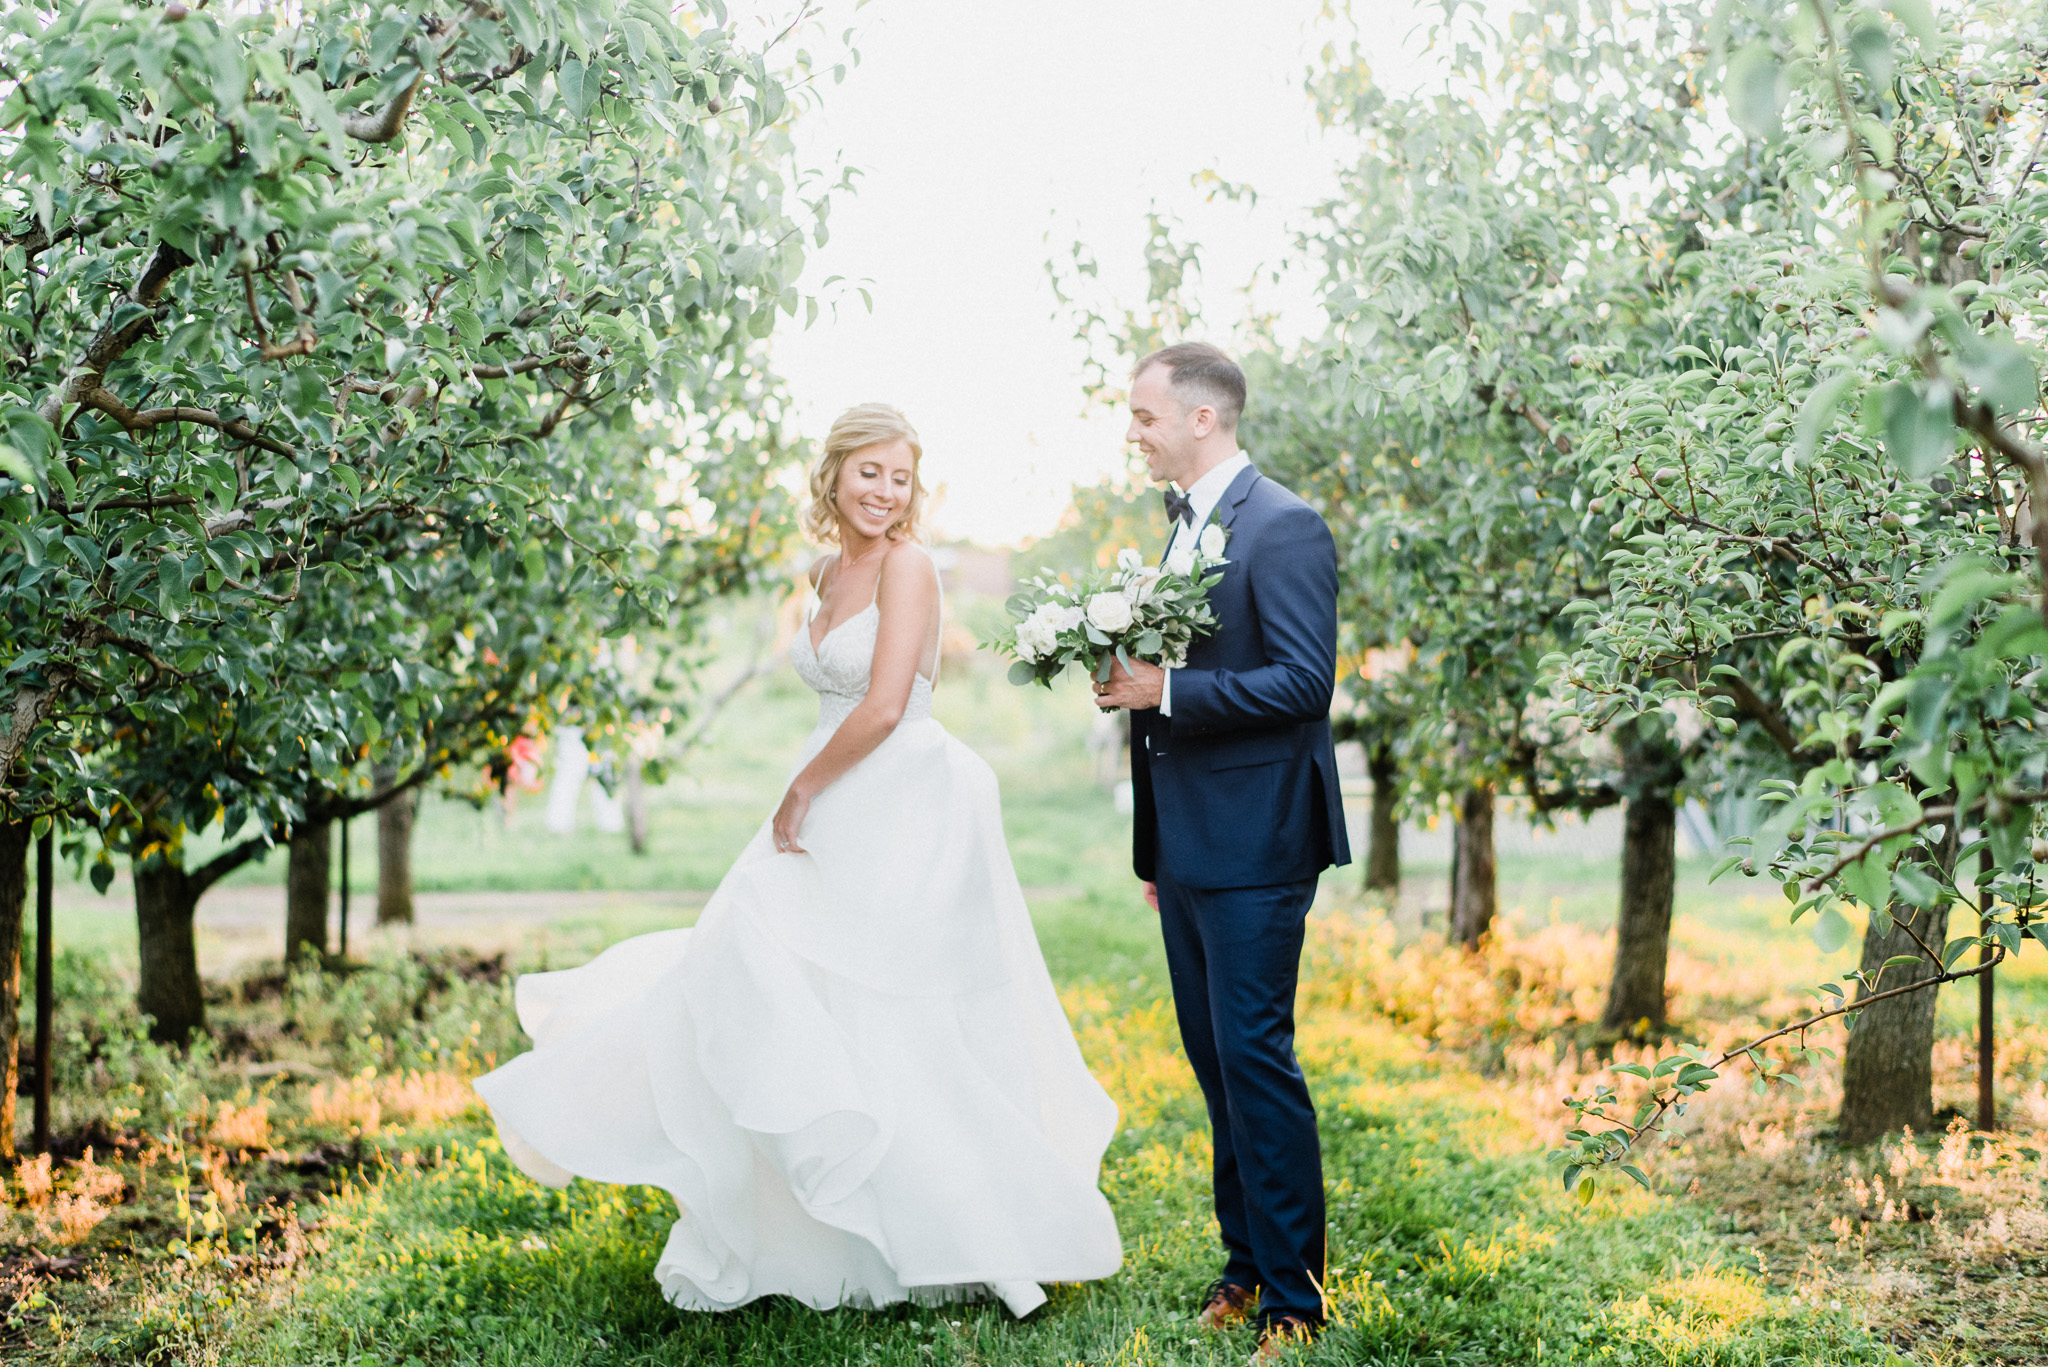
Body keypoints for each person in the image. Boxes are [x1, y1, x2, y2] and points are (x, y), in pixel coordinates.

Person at [475, 404, 1122, 1319]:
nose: (884, 491)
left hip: (896, 796)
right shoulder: (823, 571)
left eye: (900, 477)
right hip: (832, 788)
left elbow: (889, 703)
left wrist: (800, 789)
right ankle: (807, 1225)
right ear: (835, 473)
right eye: (869, 472)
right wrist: (811, 787)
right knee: (757, 969)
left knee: (892, 1007)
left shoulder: (909, 565)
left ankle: (958, 1228)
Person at [1092, 343, 1349, 1361]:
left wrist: (1166, 689)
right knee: (1215, 1065)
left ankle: (1293, 1300)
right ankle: (1243, 1267)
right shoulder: (1180, 528)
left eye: (1144, 415)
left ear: (1203, 418)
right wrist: (1156, 843)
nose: (1134, 432)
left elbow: (1305, 682)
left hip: (1257, 842)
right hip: (1188, 844)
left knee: (1255, 1059)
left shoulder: (1282, 525)